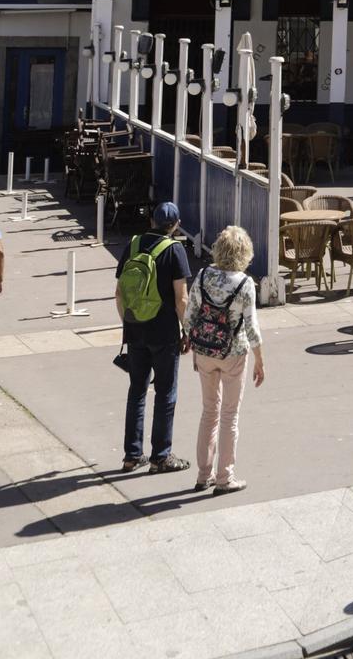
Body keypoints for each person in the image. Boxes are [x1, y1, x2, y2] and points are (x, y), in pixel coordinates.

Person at [183, 224, 265, 494]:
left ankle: (202, 474)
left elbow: (190, 316)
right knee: (230, 415)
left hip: (205, 351)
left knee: (209, 411)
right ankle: (224, 477)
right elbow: (251, 327)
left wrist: (195, 344)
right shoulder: (244, 284)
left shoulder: (204, 274)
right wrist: (260, 360)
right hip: (233, 353)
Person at [116, 201, 191, 474]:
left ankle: (132, 455)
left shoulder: (133, 245)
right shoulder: (175, 250)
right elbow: (181, 299)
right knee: (165, 393)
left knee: (136, 391)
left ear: (152, 221)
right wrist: (188, 331)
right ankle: (161, 456)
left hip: (135, 330)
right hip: (164, 333)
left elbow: (119, 294)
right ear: (176, 225)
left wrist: (129, 321)